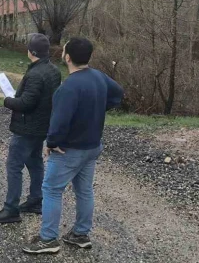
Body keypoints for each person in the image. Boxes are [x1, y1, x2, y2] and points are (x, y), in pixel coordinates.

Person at [23, 37, 124, 255]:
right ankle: (80, 234)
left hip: (70, 150)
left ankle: (48, 239)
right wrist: (97, 109)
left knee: (51, 189)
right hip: (92, 146)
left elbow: (59, 122)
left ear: (67, 57)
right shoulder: (99, 76)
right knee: (84, 190)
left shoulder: (68, 87)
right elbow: (118, 94)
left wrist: (51, 143)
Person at [0, 33, 61, 224]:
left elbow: (26, 103)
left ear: (31, 52)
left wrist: (7, 100)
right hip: (41, 126)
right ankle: (36, 200)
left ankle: (11, 208)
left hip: (27, 127)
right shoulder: (54, 71)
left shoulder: (36, 74)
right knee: (35, 162)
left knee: (14, 166)